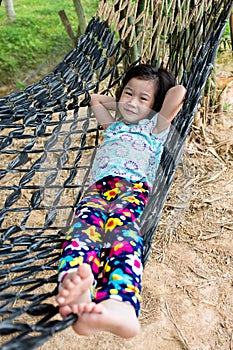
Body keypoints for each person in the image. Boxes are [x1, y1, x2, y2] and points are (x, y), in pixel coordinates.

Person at [56, 64, 186, 338]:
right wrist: (125, 101)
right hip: (97, 190)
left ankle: (120, 304)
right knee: (82, 230)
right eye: (128, 93)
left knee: (121, 231)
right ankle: (75, 291)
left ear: (154, 105)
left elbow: (179, 92)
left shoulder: (156, 127)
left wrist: (149, 108)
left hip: (132, 188)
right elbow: (95, 99)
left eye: (143, 98)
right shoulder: (112, 126)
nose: (132, 101)